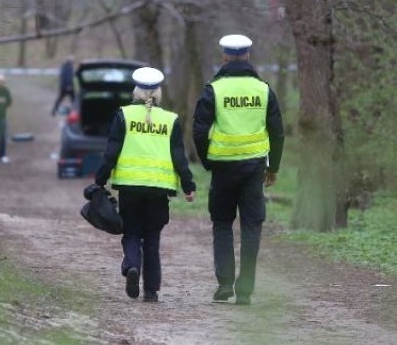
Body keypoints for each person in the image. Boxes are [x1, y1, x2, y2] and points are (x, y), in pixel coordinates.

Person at [192, 34, 284, 306]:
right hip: (255, 168)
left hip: (223, 168)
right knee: (251, 226)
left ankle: (224, 284)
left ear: (224, 56)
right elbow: (277, 132)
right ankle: (245, 289)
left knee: (222, 223)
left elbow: (198, 130)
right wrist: (273, 167)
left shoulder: (214, 89)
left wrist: (208, 160)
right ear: (247, 56)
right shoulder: (264, 90)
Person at [95, 67, 196, 303]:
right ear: (158, 93)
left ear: (136, 91)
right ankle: (151, 290)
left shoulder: (123, 115)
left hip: (130, 187)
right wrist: (188, 185)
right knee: (152, 237)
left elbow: (111, 152)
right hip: (159, 190)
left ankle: (132, 266)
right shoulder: (171, 120)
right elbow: (179, 156)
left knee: (131, 231)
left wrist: (99, 181)